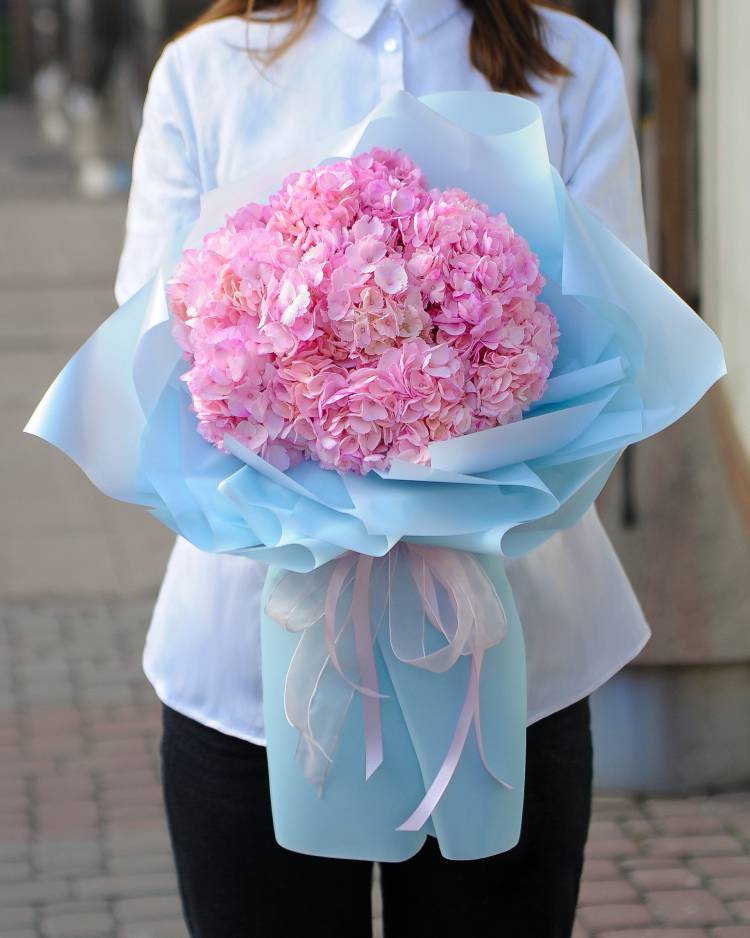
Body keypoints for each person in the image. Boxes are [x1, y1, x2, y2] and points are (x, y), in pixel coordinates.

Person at [114, 2, 651, 936]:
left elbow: (614, 332)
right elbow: (154, 346)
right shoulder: (206, 71)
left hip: (517, 656)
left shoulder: (571, 64)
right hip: (247, 667)